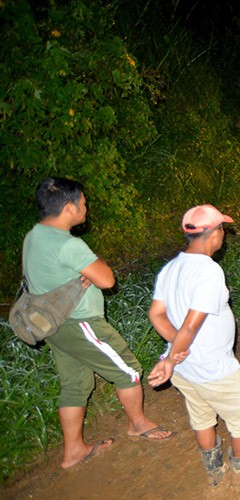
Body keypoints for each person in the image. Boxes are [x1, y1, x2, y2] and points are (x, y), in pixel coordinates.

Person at [21, 177, 175, 469]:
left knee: (75, 385)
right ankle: (138, 424)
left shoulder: (34, 236)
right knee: (128, 369)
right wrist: (95, 266)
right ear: (68, 208)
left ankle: (74, 451)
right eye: (82, 203)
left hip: (51, 324)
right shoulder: (70, 244)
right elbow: (106, 279)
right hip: (80, 322)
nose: (85, 208)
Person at [146, 204, 240, 487]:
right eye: (222, 229)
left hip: (187, 369)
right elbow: (191, 325)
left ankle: (214, 472)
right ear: (214, 233)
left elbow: (156, 314)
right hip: (212, 367)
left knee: (201, 414)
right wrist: (174, 356)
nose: (223, 235)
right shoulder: (209, 271)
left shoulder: (170, 267)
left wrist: (176, 351)